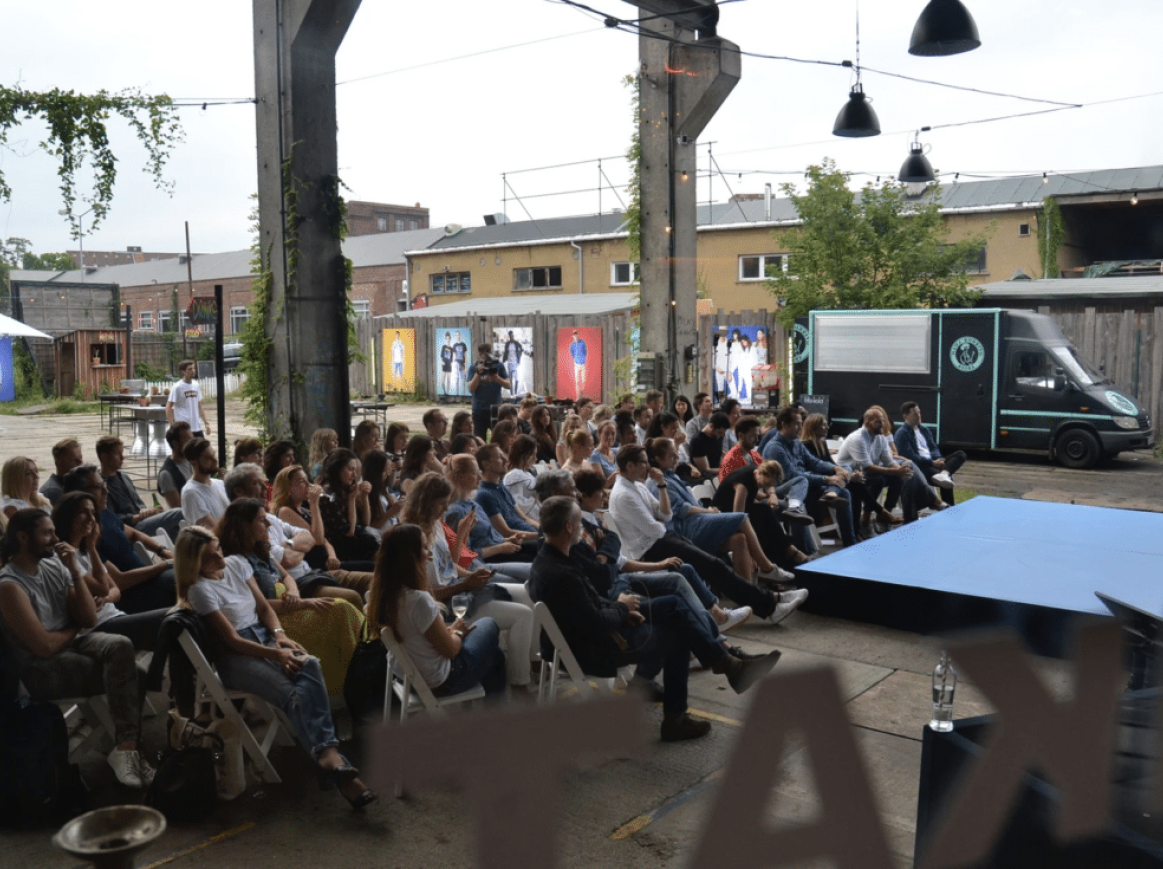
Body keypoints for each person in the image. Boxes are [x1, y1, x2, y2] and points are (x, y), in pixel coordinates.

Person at [529, 496, 781, 742]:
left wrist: (620, 609)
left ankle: (725, 665)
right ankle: (683, 711)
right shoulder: (562, 572)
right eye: (579, 523)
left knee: (673, 606)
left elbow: (590, 601)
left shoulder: (551, 558)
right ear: (569, 527)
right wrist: (621, 609)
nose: (583, 529)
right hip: (593, 648)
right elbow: (597, 620)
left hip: (588, 634)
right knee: (678, 636)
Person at [174, 525, 375, 809]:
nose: (220, 558)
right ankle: (340, 770)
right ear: (193, 563)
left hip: (264, 635)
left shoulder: (235, 564)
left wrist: (281, 637)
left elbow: (264, 609)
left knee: (309, 665)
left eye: (218, 548)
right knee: (292, 693)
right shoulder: (199, 590)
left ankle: (328, 759)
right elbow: (231, 639)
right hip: (236, 656)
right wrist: (276, 655)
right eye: (210, 557)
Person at [0, 509, 155, 788]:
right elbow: (44, 647)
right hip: (39, 671)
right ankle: (129, 750)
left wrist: (73, 571)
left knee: (121, 646)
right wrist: (74, 626)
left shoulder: (54, 564)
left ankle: (126, 749)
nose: (55, 539)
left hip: (73, 644)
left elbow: (88, 618)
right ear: (23, 538)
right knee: (135, 674)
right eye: (47, 533)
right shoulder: (10, 586)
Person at [607, 445, 806, 625]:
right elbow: (658, 528)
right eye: (643, 462)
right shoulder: (624, 494)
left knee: (715, 562)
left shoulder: (638, 486)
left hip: (664, 539)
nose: (647, 466)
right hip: (652, 549)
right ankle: (770, 603)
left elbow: (665, 515)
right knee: (713, 565)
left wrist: (661, 485)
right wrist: (660, 517)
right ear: (631, 465)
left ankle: (770, 601)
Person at [216, 498, 366, 695]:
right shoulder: (235, 562)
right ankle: (356, 679)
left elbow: (286, 575)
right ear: (245, 526)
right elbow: (256, 607)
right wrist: (302, 603)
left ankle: (363, 668)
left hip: (288, 606)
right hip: (272, 623)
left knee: (341, 607)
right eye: (262, 520)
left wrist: (294, 592)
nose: (268, 524)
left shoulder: (261, 549)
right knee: (339, 609)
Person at [402, 473, 535, 692]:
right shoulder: (413, 539)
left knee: (526, 593)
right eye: (442, 504)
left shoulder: (437, 524)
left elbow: (451, 562)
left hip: (459, 586)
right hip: (452, 604)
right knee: (524, 614)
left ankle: (528, 663)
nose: (445, 509)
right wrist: (465, 584)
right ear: (426, 502)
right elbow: (429, 594)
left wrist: (462, 537)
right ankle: (519, 681)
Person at [367, 524, 507, 699]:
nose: (430, 554)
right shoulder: (418, 600)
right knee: (488, 624)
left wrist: (449, 632)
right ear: (410, 557)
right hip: (439, 682)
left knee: (495, 655)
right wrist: (457, 631)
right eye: (425, 548)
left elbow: (419, 636)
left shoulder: (381, 596)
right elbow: (450, 651)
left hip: (406, 677)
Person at [646, 437, 789, 584]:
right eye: (672, 455)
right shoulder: (659, 482)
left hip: (696, 522)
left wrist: (706, 509)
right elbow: (680, 510)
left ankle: (749, 592)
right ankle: (767, 568)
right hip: (685, 530)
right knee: (741, 518)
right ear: (658, 458)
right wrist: (707, 512)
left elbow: (688, 504)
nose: (677, 456)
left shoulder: (671, 476)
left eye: (675, 453)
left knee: (739, 539)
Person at [63, 465, 177, 613]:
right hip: (133, 594)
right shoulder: (87, 533)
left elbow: (134, 534)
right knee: (185, 587)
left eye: (104, 484)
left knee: (195, 577)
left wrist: (162, 551)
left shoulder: (105, 514)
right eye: (99, 487)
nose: (106, 491)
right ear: (80, 493)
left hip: (149, 578)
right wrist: (165, 565)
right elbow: (119, 581)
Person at [762, 406, 857, 552]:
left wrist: (835, 469)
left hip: (805, 485)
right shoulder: (776, 448)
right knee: (802, 491)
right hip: (787, 490)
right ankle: (807, 553)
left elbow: (814, 462)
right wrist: (827, 479)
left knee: (845, 487)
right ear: (784, 425)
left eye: (801, 423)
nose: (801, 427)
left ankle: (850, 543)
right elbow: (793, 476)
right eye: (797, 424)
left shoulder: (796, 442)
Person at [97, 436, 184, 541]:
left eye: (122, 453)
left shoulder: (124, 476)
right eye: (117, 454)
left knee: (174, 523)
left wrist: (147, 511)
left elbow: (138, 502)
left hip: (142, 520)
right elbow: (111, 518)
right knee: (178, 513)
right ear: (104, 457)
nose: (122, 457)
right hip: (130, 528)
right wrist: (138, 517)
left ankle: (175, 552)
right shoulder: (101, 486)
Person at [895, 401, 966, 506]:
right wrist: (932, 463)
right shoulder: (902, 434)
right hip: (920, 467)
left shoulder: (925, 430)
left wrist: (940, 459)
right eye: (915, 414)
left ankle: (944, 473)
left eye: (919, 413)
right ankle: (949, 507)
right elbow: (911, 457)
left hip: (933, 462)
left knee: (961, 454)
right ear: (906, 416)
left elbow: (933, 449)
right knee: (946, 482)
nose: (919, 416)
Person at [317, 448, 378, 564]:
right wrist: (351, 499)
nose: (354, 475)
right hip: (341, 552)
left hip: (353, 547)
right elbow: (349, 532)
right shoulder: (327, 495)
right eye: (350, 470)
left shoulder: (343, 489)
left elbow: (365, 522)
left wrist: (365, 497)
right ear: (337, 470)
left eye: (356, 470)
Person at [181, 439, 230, 530]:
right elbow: (215, 529)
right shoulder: (191, 493)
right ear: (193, 462)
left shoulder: (220, 483)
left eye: (214, 454)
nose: (215, 460)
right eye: (208, 458)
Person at [469, 343, 510, 440]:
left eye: (489, 353)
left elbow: (508, 385)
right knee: (479, 439)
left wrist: (496, 378)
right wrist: (478, 374)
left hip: (496, 407)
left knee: (499, 438)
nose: (487, 356)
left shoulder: (498, 366)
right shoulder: (474, 367)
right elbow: (471, 388)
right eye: (485, 353)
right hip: (479, 409)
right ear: (480, 355)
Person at [1, 456, 52, 529]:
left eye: (36, 471)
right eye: (28, 473)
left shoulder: (40, 500)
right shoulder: (12, 509)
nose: (36, 476)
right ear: (15, 480)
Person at [166, 359, 209, 438]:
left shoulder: (196, 385)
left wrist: (206, 423)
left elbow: (200, 406)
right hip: (183, 429)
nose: (193, 371)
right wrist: (172, 426)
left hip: (196, 427)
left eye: (193, 368)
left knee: (201, 448)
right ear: (183, 372)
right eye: (189, 369)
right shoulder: (177, 387)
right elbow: (168, 407)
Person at [503, 435, 541, 523]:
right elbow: (519, 505)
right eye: (533, 454)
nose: (536, 459)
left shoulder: (526, 473)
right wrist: (537, 496)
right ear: (524, 454)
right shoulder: (514, 475)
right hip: (529, 522)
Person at [158, 423, 194, 509]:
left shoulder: (193, 461)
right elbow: (177, 509)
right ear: (175, 444)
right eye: (188, 441)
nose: (192, 444)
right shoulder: (167, 474)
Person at [41, 438, 83, 507]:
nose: (81, 464)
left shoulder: (73, 484)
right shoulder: (53, 492)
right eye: (74, 461)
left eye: (81, 458)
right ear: (58, 463)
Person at [689, 411, 730, 476]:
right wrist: (727, 470)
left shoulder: (719, 436)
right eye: (719, 432)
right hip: (704, 478)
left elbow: (719, 455)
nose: (721, 435)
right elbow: (706, 469)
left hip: (718, 474)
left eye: (723, 433)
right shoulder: (697, 441)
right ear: (711, 426)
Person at [503, 330, 526, 395]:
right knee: (510, 379)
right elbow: (505, 352)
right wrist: (504, 359)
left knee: (516, 379)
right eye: (510, 336)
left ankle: (515, 393)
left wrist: (519, 355)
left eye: (512, 336)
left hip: (516, 362)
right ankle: (511, 394)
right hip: (509, 363)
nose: (512, 337)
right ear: (509, 336)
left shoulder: (516, 343)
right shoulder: (507, 344)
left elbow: (522, 349)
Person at [568, 330, 588, 399]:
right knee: (577, 381)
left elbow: (585, 351)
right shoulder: (572, 345)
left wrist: (582, 358)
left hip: (583, 363)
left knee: (583, 380)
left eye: (576, 334)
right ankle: (578, 396)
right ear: (572, 336)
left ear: (578, 335)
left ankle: (582, 395)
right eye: (574, 335)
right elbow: (572, 353)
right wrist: (576, 359)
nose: (575, 336)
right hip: (576, 364)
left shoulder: (582, 342)